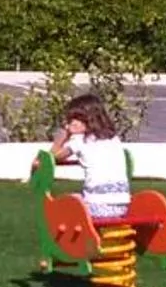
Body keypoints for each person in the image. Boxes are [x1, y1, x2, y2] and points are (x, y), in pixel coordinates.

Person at [48, 94, 132, 224]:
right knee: (78, 198)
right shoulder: (113, 139)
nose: (69, 124)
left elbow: (52, 158)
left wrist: (60, 139)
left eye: (74, 120)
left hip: (96, 207)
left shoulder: (79, 140)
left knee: (66, 202)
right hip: (122, 206)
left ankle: (67, 242)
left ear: (88, 120)